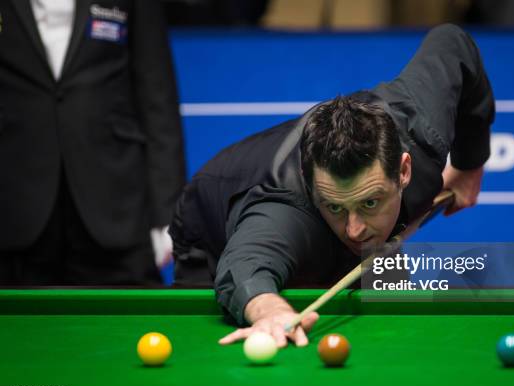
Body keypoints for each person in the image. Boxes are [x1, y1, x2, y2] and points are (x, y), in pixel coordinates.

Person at [170, 24, 494, 346]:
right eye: (336, 207)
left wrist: (470, 163)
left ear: (404, 171)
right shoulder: (285, 212)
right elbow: (245, 265)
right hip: (212, 230)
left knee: (397, 330)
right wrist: (267, 309)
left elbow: (453, 43)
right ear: (313, 187)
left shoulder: (420, 129)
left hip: (361, 231)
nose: (354, 230)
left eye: (370, 202)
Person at [0, 0, 185, 284]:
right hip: (14, 204)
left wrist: (167, 214)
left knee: (129, 320)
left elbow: (157, 94)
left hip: (115, 199)